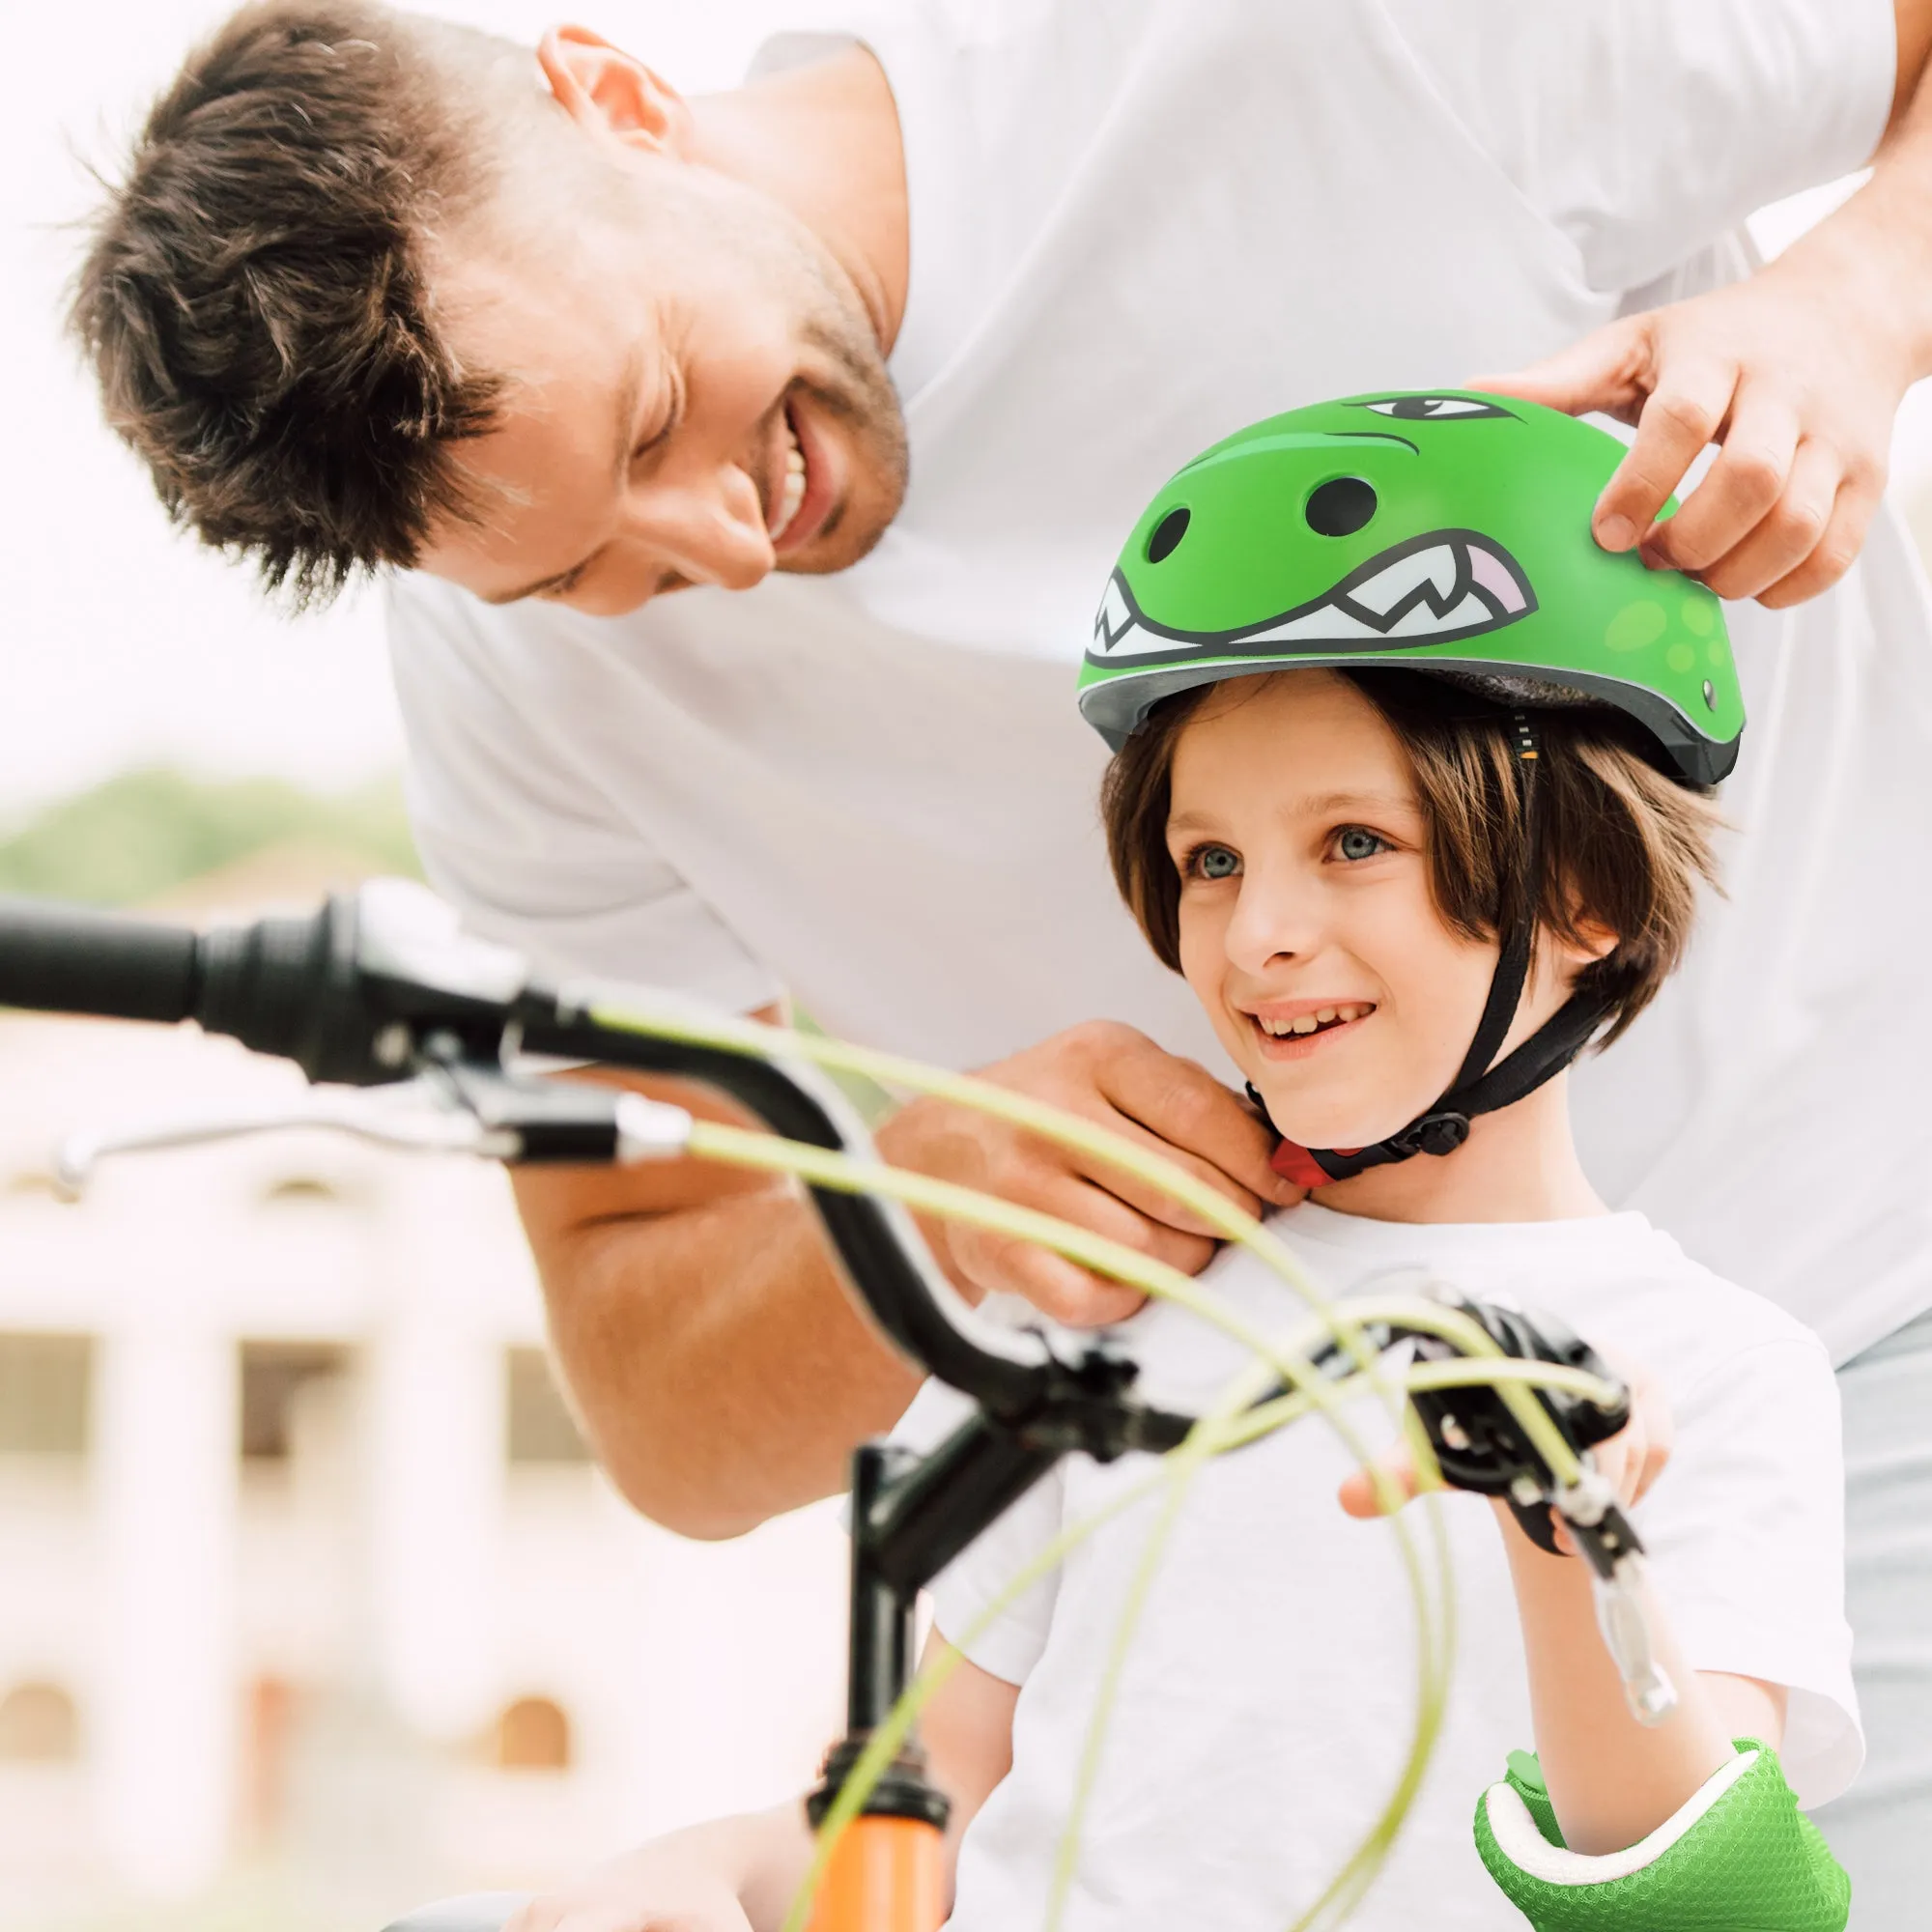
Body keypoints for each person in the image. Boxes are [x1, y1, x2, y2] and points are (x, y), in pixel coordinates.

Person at [69, 0, 1932, 1905]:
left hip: (1864, 1274)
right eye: (581, 572)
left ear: (615, 93)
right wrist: (914, 1203)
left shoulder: (1335, 51)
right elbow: (674, 1418)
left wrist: (1855, 306)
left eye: (650, 415)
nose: (713, 553)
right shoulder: (509, 674)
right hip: (1198, 1351)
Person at [497, 400, 1860, 1931]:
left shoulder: (1717, 1371)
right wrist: (707, 1874)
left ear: (1588, 889)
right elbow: (916, 1811)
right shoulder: (1097, 1299)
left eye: (1353, 842)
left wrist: (1572, 1541)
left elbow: (1710, 1904)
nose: (1258, 932)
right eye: (1211, 860)